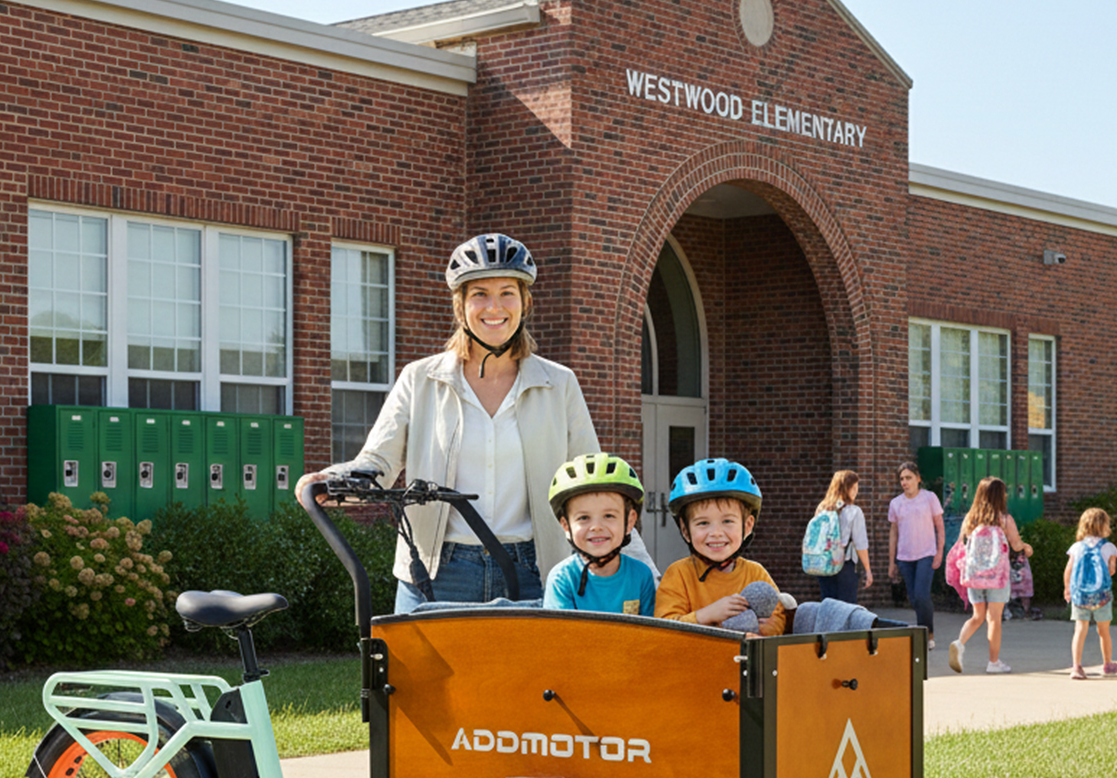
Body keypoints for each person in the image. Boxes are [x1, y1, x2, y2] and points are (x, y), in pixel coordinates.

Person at [293, 232, 654, 614]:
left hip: (534, 569)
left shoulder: (558, 384)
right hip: (438, 571)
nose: (493, 306)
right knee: (415, 676)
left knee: (530, 676)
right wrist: (335, 480)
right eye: (479, 293)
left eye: (507, 293)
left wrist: (644, 571)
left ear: (525, 302)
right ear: (460, 305)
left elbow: (597, 485)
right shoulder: (421, 379)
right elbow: (376, 463)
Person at [654, 457, 786, 634]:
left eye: (727, 521)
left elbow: (777, 617)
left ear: (747, 526)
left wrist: (758, 632)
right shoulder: (678, 575)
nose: (716, 532)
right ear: (686, 531)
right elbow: (663, 627)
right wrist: (706, 615)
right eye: (703, 523)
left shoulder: (756, 574)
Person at [543, 453, 657, 614]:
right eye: (584, 518)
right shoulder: (562, 579)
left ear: (629, 521)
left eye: (609, 516)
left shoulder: (641, 575)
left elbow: (650, 634)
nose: (596, 527)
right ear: (566, 526)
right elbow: (562, 636)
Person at [947, 477, 1033, 675]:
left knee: (977, 616)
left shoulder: (971, 518)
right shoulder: (1004, 519)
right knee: (994, 619)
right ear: (999, 495)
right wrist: (1026, 548)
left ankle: (959, 643)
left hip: (975, 575)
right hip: (997, 577)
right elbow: (1016, 545)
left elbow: (962, 543)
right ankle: (993, 663)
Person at [887, 461, 944, 649]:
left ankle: (929, 634)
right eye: (902, 479)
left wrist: (940, 551)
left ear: (918, 479)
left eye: (908, 478)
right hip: (904, 557)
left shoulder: (929, 498)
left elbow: (939, 526)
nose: (905, 482)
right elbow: (893, 532)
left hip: (926, 554)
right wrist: (891, 562)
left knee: (921, 595)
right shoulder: (896, 503)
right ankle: (922, 632)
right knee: (914, 598)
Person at [1063, 507, 1117, 680]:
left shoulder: (1076, 547)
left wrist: (1067, 589)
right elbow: (1111, 570)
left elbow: (1069, 570)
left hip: (1080, 596)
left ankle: (1076, 667)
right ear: (1105, 526)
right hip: (1102, 597)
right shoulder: (1109, 547)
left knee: (1080, 629)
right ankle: (1108, 663)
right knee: (1104, 631)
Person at [812, 469, 873, 603]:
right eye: (854, 487)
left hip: (824, 564)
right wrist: (868, 570)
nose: (856, 491)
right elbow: (860, 543)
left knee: (828, 604)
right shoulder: (854, 512)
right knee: (847, 607)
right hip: (844, 565)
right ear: (847, 489)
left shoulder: (821, 508)